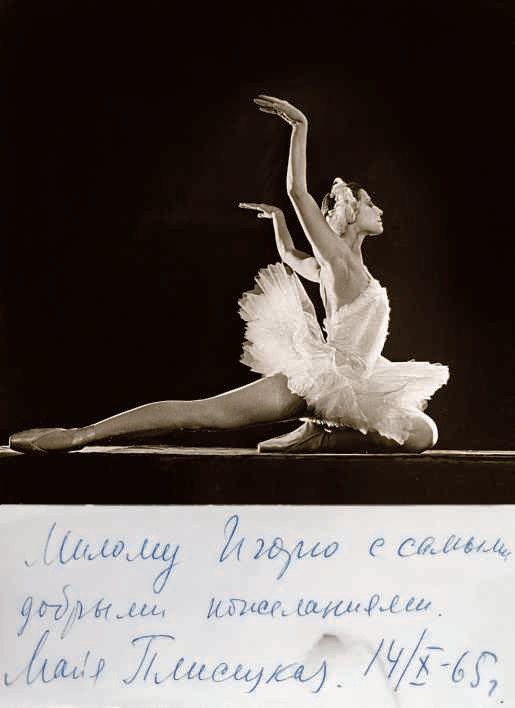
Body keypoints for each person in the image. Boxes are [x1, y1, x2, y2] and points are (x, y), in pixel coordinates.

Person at [9, 95, 448, 455]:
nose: (379, 209)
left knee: (423, 433)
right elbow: (297, 191)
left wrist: (278, 222)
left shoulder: (335, 266)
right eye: (370, 203)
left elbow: (290, 256)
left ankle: (321, 433)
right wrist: (300, 127)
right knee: (204, 413)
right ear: (350, 212)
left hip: (358, 383)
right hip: (320, 379)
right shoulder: (336, 259)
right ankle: (78, 435)